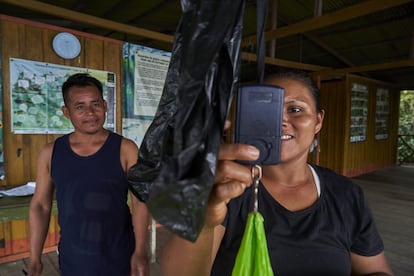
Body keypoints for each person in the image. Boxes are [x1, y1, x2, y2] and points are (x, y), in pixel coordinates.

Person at [160, 70, 394, 275]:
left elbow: (374, 270)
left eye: (295, 109)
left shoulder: (347, 193)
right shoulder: (224, 188)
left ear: (318, 121)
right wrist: (204, 218)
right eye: (266, 110)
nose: (281, 120)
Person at [28, 73, 150, 276]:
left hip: (120, 256)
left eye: (95, 104)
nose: (90, 113)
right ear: (66, 112)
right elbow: (40, 206)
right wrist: (34, 257)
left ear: (105, 105)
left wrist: (140, 251)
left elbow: (140, 202)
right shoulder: (51, 152)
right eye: (80, 107)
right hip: (73, 259)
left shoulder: (125, 149)